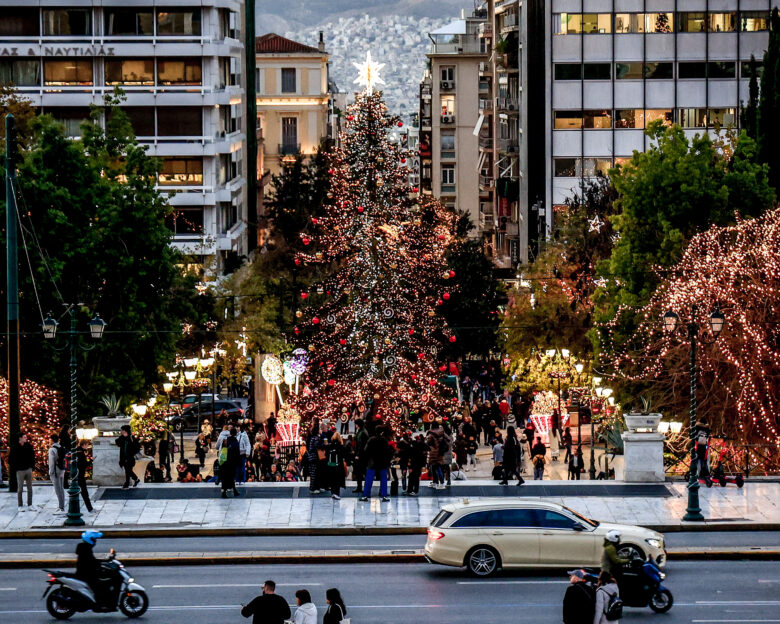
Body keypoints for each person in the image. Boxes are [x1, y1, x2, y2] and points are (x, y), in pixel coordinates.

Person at [359, 425, 392, 502]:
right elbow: (388, 452)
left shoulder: (371, 440)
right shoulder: (384, 440)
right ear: (382, 432)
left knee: (369, 479)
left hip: (372, 462)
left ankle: (366, 495)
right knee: (383, 480)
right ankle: (384, 495)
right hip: (382, 462)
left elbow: (366, 450)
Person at [11, 432, 35, 511]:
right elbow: (11, 459)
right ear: (20, 438)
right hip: (20, 470)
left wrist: (31, 467)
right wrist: (16, 468)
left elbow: (32, 456)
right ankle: (20, 505)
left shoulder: (28, 446)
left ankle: (30, 504)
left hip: (28, 469)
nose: (26, 438)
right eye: (24, 437)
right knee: (20, 488)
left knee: (30, 488)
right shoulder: (15, 447)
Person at [115, 425, 140, 489]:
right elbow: (117, 442)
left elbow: (137, 447)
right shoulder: (122, 438)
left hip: (130, 457)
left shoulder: (131, 438)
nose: (122, 431)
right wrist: (122, 437)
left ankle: (127, 483)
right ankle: (136, 479)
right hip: (123, 457)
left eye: (123, 430)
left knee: (128, 470)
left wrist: (132, 453)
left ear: (126, 431)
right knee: (128, 470)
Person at [74, 439, 95, 514]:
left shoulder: (76, 451)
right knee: (85, 493)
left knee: (81, 493)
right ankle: (90, 509)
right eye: (87, 445)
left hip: (76, 475)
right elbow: (84, 464)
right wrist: (91, 460)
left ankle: (89, 508)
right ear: (84, 445)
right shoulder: (81, 453)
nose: (87, 446)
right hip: (80, 475)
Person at [220, 427, 241, 498]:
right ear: (235, 433)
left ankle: (230, 490)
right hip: (232, 463)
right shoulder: (236, 442)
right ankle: (232, 491)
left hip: (225, 462)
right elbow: (237, 453)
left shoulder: (226, 440)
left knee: (225, 477)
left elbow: (222, 450)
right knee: (231, 477)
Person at [48, 433, 67, 514]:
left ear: (52, 440)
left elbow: (51, 462)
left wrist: (50, 472)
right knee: (61, 488)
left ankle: (61, 506)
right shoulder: (60, 447)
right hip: (62, 469)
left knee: (57, 489)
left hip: (56, 470)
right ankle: (62, 504)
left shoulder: (52, 449)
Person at [326, 432, 346, 499]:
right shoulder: (340, 446)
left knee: (332, 479)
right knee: (337, 480)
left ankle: (332, 492)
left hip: (330, 465)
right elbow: (343, 455)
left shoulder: (330, 445)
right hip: (338, 466)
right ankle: (337, 493)